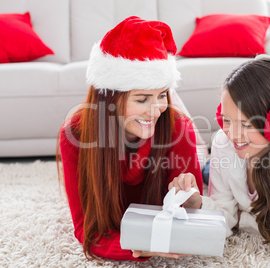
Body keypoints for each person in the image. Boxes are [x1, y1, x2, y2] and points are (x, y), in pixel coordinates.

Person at [56, 16, 203, 262]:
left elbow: (190, 215)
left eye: (162, 95)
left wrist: (193, 200)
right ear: (109, 99)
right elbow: (87, 232)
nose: (155, 109)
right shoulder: (76, 135)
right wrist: (138, 246)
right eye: (142, 99)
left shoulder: (179, 128)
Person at [173, 55, 270, 247]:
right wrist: (198, 204)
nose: (233, 134)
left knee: (208, 169)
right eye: (226, 120)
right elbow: (225, 214)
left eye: (246, 124)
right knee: (207, 169)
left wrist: (241, 219)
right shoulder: (223, 141)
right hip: (241, 154)